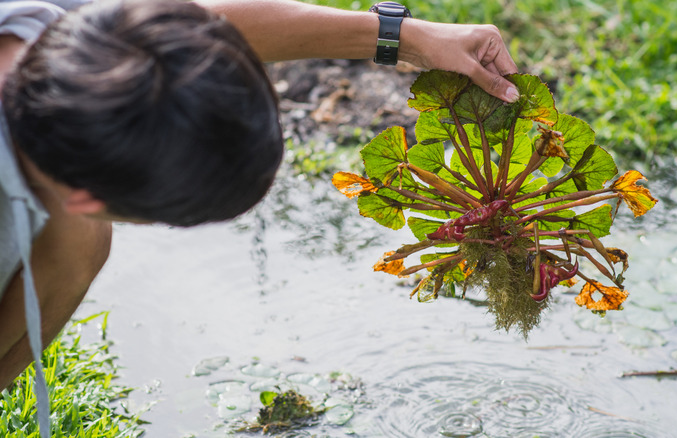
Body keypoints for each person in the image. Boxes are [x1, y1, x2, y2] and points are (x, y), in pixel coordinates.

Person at [0, 0, 518, 432]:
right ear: (85, 197)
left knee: (78, 243)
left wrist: (406, 35)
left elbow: (198, 33)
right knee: (76, 241)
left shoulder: (83, 44)